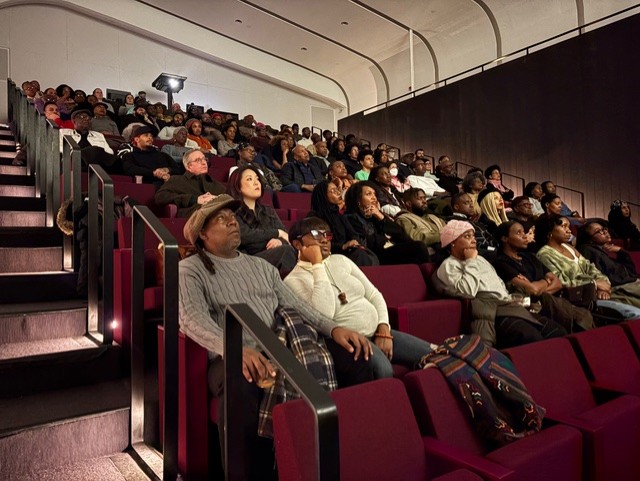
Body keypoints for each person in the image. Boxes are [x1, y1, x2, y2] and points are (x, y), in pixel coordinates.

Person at [179, 195, 372, 481]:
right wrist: (234, 350)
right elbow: (191, 318)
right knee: (240, 384)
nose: (232, 220)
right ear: (202, 234)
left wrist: (333, 329)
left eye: (232, 216)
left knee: (356, 356)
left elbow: (296, 306)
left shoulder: (262, 267)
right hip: (230, 354)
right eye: (221, 218)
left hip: (281, 343)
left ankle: (351, 452)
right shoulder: (190, 269)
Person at [286, 217, 436, 378]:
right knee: (383, 370)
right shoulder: (292, 280)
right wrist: (317, 265)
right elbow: (324, 315)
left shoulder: (341, 260)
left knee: (436, 355)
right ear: (297, 244)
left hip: (378, 331)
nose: (324, 240)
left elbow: (374, 294)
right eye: (316, 234)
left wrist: (384, 328)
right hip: (346, 341)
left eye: (327, 235)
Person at [435, 220, 567, 348]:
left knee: (557, 331)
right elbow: (467, 291)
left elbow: (498, 284)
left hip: (510, 305)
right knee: (531, 337)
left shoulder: (479, 259)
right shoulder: (448, 265)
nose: (474, 240)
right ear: (452, 242)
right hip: (493, 311)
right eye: (467, 236)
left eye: (473, 236)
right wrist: (471, 261)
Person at [493, 221, 594, 332]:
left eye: (524, 232)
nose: (524, 236)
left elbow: (558, 283)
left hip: (555, 303)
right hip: (532, 308)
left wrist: (538, 286)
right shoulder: (501, 262)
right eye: (518, 233)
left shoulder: (530, 256)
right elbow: (532, 290)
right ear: (505, 238)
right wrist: (546, 281)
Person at [535, 214, 640, 319]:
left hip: (600, 291)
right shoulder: (544, 254)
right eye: (563, 226)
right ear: (550, 231)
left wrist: (602, 284)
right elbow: (561, 282)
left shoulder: (568, 247)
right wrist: (594, 284)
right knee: (635, 314)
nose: (569, 231)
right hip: (580, 299)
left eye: (568, 227)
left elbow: (591, 268)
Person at [226, 165, 297, 274]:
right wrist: (276, 233)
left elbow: (285, 235)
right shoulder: (232, 211)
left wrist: (279, 241)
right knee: (286, 252)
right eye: (250, 179)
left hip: (269, 257)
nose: (256, 182)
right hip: (247, 261)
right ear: (238, 186)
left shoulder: (268, 210)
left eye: (257, 179)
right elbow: (245, 236)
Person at [345, 181, 430, 265]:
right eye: (368, 194)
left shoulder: (376, 215)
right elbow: (367, 243)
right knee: (419, 247)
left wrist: (380, 216)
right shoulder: (351, 218)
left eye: (374, 194)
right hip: (375, 257)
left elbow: (401, 235)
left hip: (389, 250)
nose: (374, 197)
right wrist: (385, 239)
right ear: (358, 200)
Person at [309, 181, 379, 266]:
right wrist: (342, 246)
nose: (339, 193)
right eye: (333, 191)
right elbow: (318, 242)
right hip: (329, 255)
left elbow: (353, 234)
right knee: (361, 255)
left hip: (345, 252)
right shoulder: (315, 217)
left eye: (338, 190)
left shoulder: (339, 215)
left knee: (368, 254)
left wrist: (353, 241)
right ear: (323, 195)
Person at [577, 220, 640, 307]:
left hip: (629, 283)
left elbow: (631, 272)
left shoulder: (603, 251)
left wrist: (620, 251)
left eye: (604, 229)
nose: (605, 232)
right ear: (590, 239)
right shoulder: (587, 251)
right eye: (598, 231)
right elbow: (597, 275)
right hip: (620, 287)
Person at [155, 148, 226, 217]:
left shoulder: (214, 183)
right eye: (198, 160)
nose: (204, 162)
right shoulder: (177, 180)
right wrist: (195, 199)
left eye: (204, 159)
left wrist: (216, 200)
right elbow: (160, 197)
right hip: (192, 217)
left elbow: (229, 200)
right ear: (188, 167)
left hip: (218, 216)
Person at [448, 192, 498, 260]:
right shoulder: (454, 222)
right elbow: (476, 245)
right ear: (456, 207)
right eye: (467, 203)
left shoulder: (473, 221)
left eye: (471, 202)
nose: (471, 205)